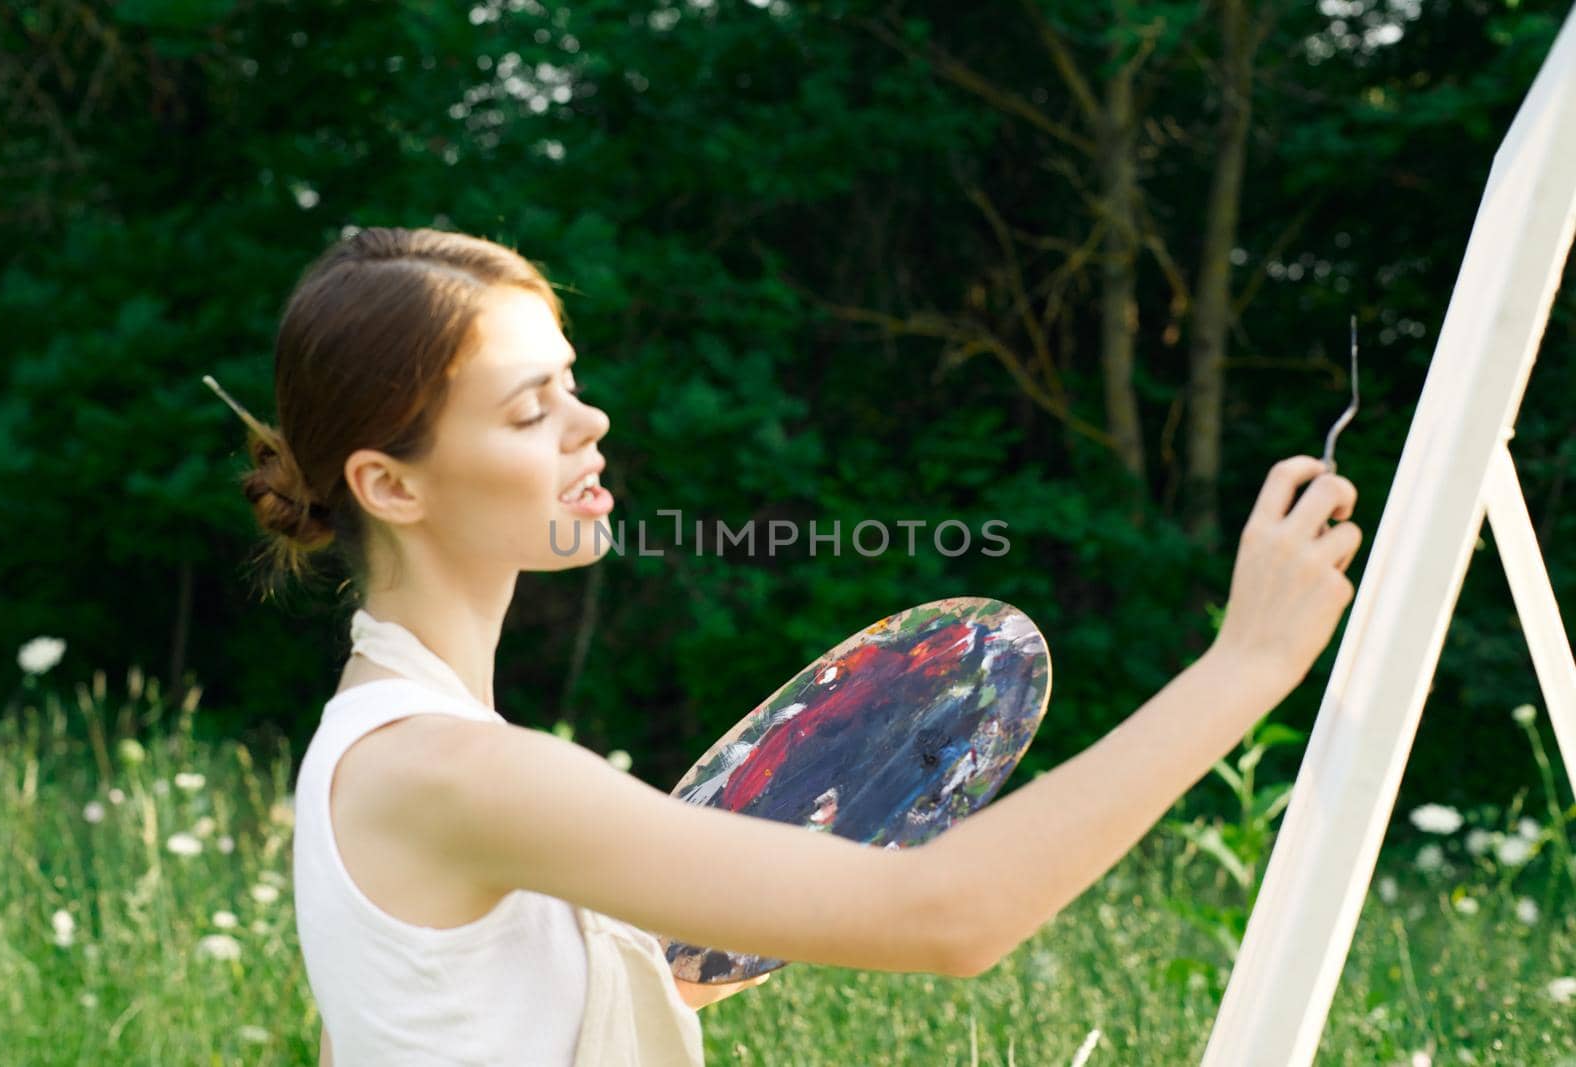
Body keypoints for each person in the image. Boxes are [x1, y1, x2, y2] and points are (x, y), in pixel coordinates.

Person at [210, 226, 1360, 1066]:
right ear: (389, 482)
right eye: (528, 410)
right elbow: (947, 917)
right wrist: (1244, 664)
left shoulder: (374, 745)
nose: (590, 422)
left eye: (573, 385)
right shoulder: (457, 773)